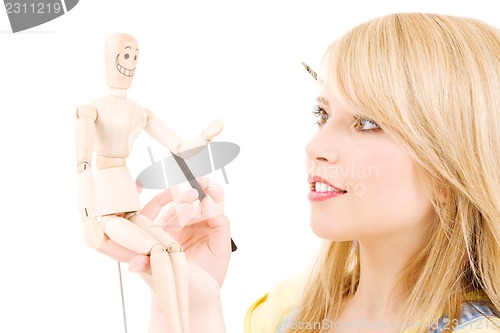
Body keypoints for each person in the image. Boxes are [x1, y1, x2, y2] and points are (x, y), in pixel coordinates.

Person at [98, 12, 500, 333]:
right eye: (322, 114)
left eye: (367, 123)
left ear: (451, 169)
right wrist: (183, 305)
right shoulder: (282, 312)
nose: (316, 147)